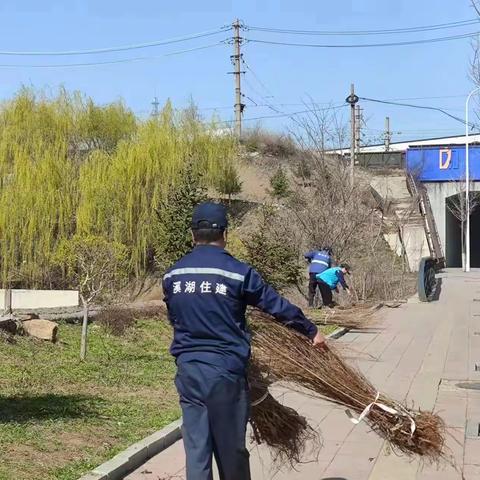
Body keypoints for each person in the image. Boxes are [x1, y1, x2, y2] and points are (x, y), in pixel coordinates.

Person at [162, 202, 325, 480]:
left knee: (197, 448)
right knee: (230, 451)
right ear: (224, 233)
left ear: (193, 235)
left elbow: (175, 317)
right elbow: (276, 306)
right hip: (225, 372)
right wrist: (311, 331)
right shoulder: (238, 273)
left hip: (188, 371)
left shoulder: (172, 275)